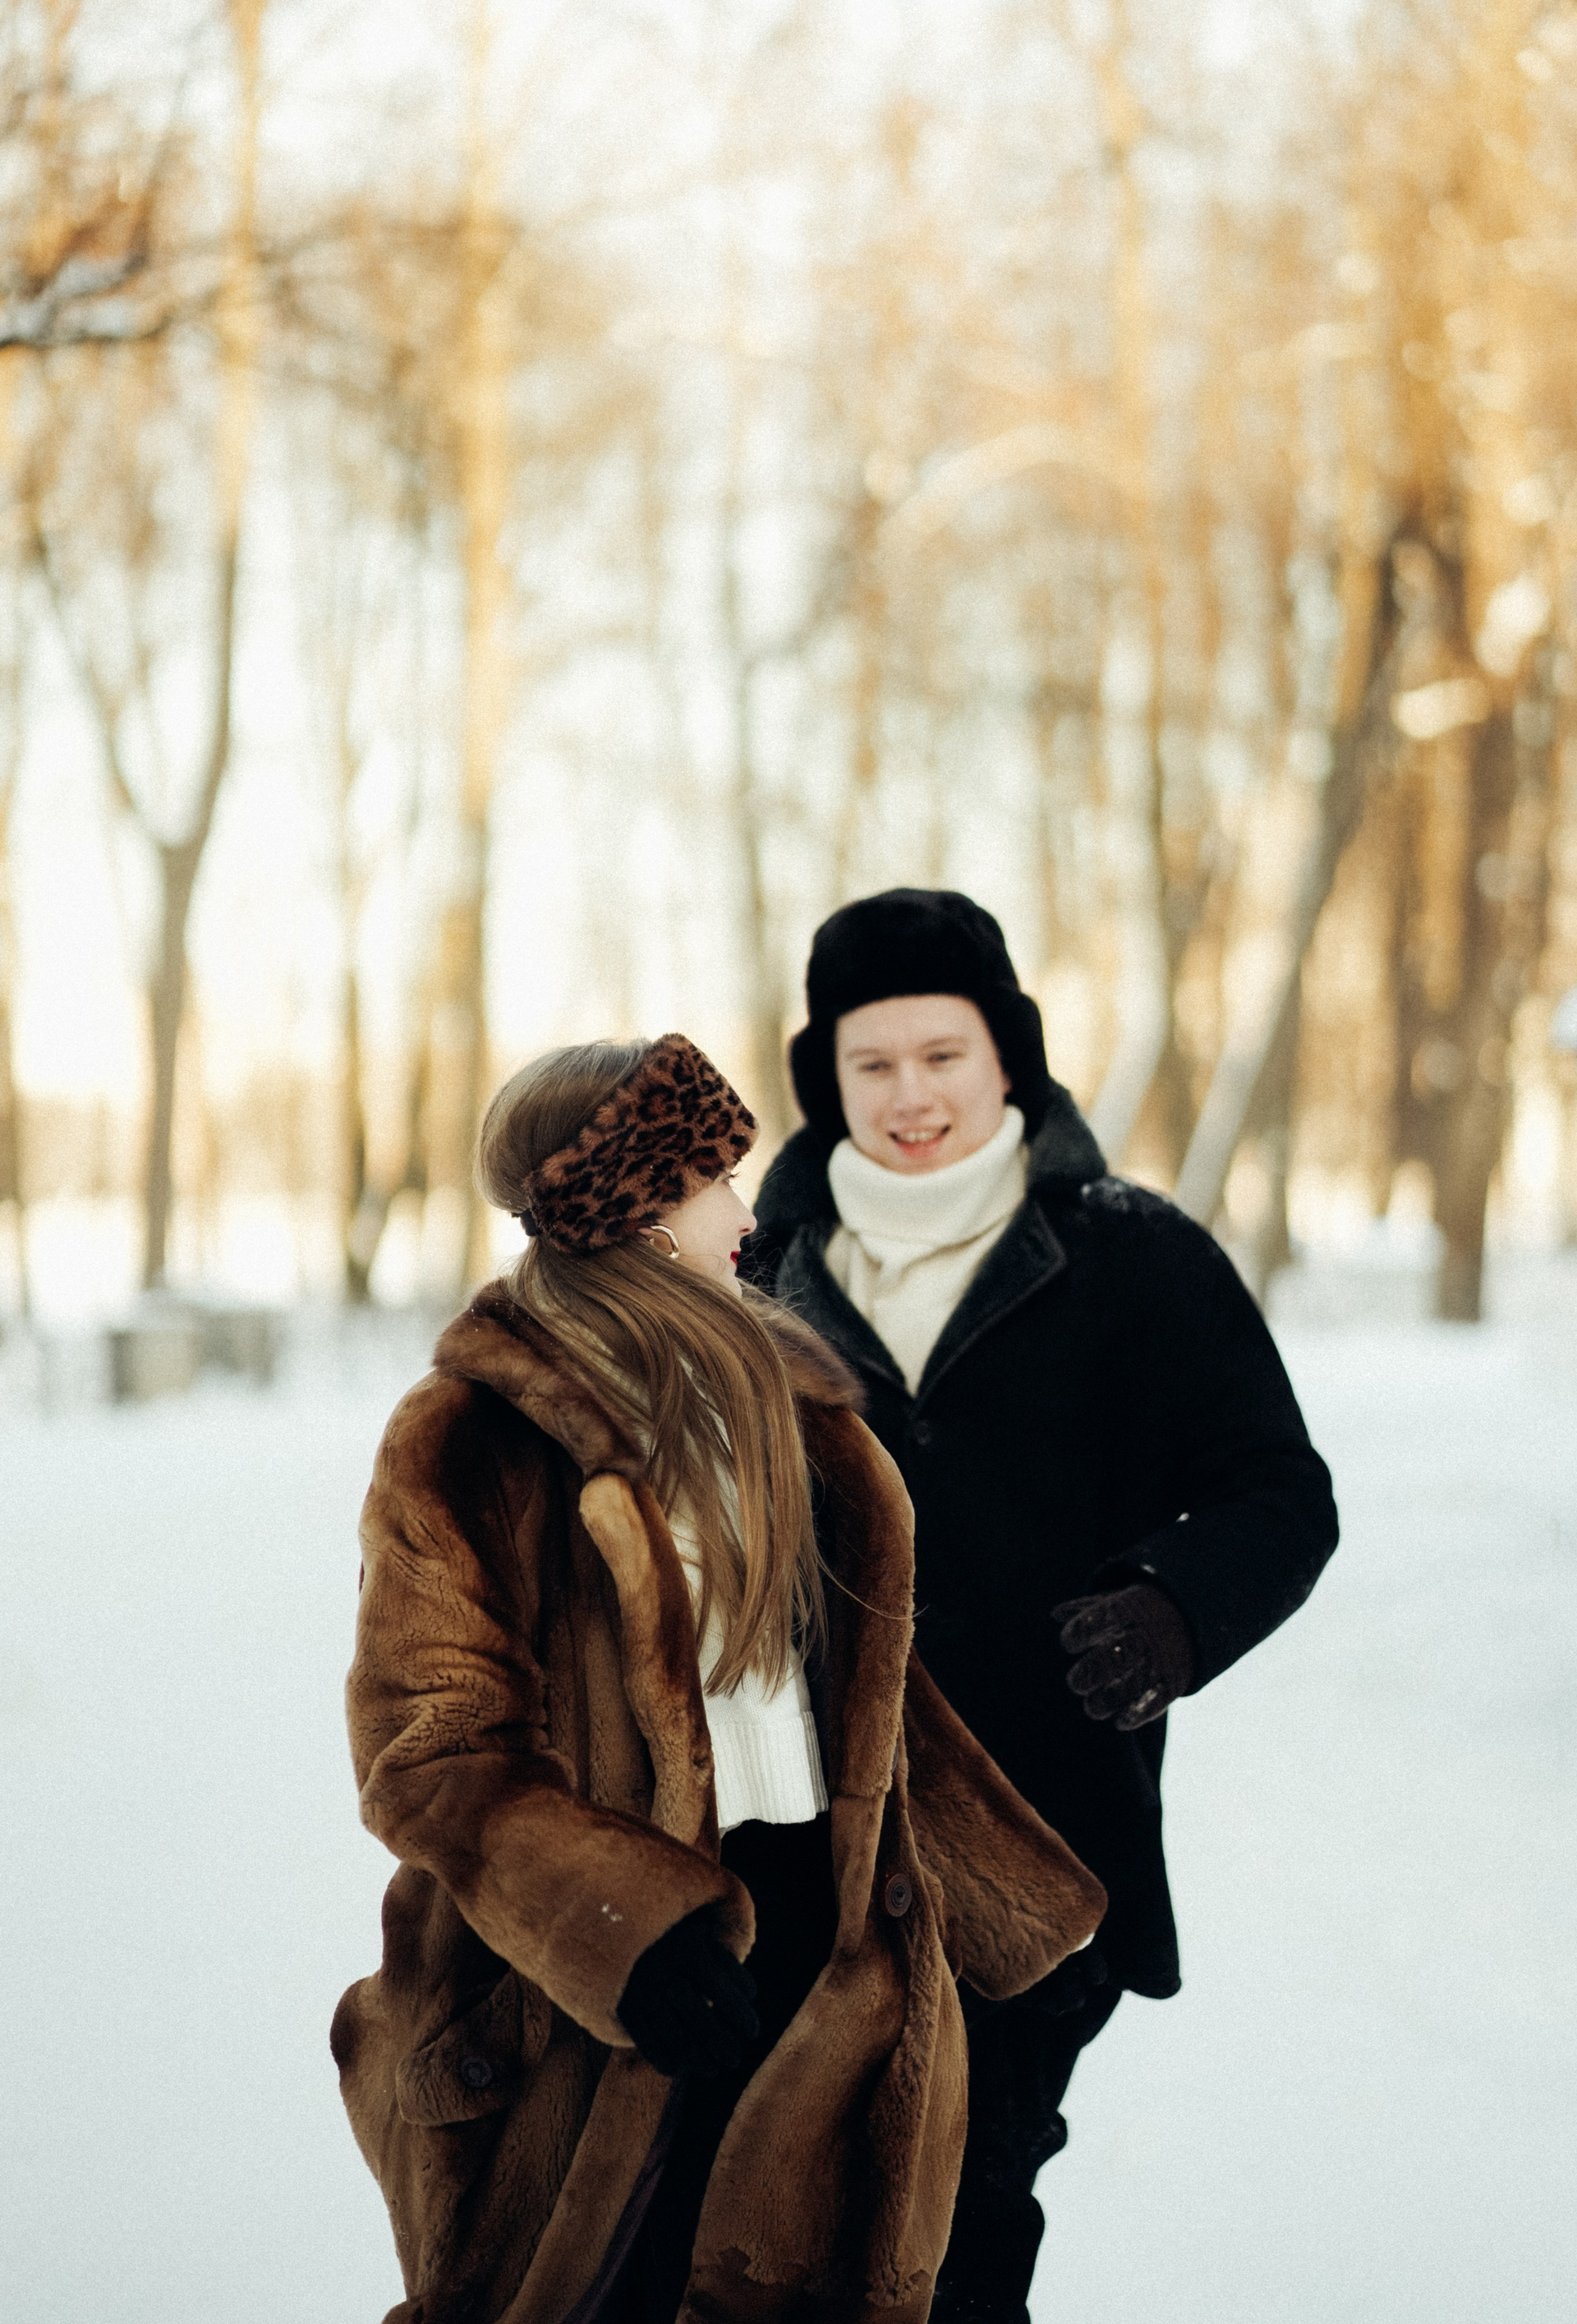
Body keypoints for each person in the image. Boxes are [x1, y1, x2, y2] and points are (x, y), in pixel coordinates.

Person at [332, 1031, 1106, 2324]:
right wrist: (626, 1939)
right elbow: (432, 1751)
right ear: (636, 1211)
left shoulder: (784, 1408)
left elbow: (875, 1705)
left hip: (820, 1939)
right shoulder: (473, 1436)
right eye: (714, 1183)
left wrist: (1013, 1916)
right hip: (594, 1993)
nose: (747, 1215)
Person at [741, 892, 1340, 2324]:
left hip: (1035, 1846)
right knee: (779, 2232)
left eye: (942, 1055)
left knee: (962, 2226)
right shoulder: (756, 1275)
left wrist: (1172, 1611)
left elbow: (1281, 1492)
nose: (911, 1097)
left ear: (1007, 1053)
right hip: (794, 1854)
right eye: (873, 1063)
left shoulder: (1137, 1259)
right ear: (826, 1078)